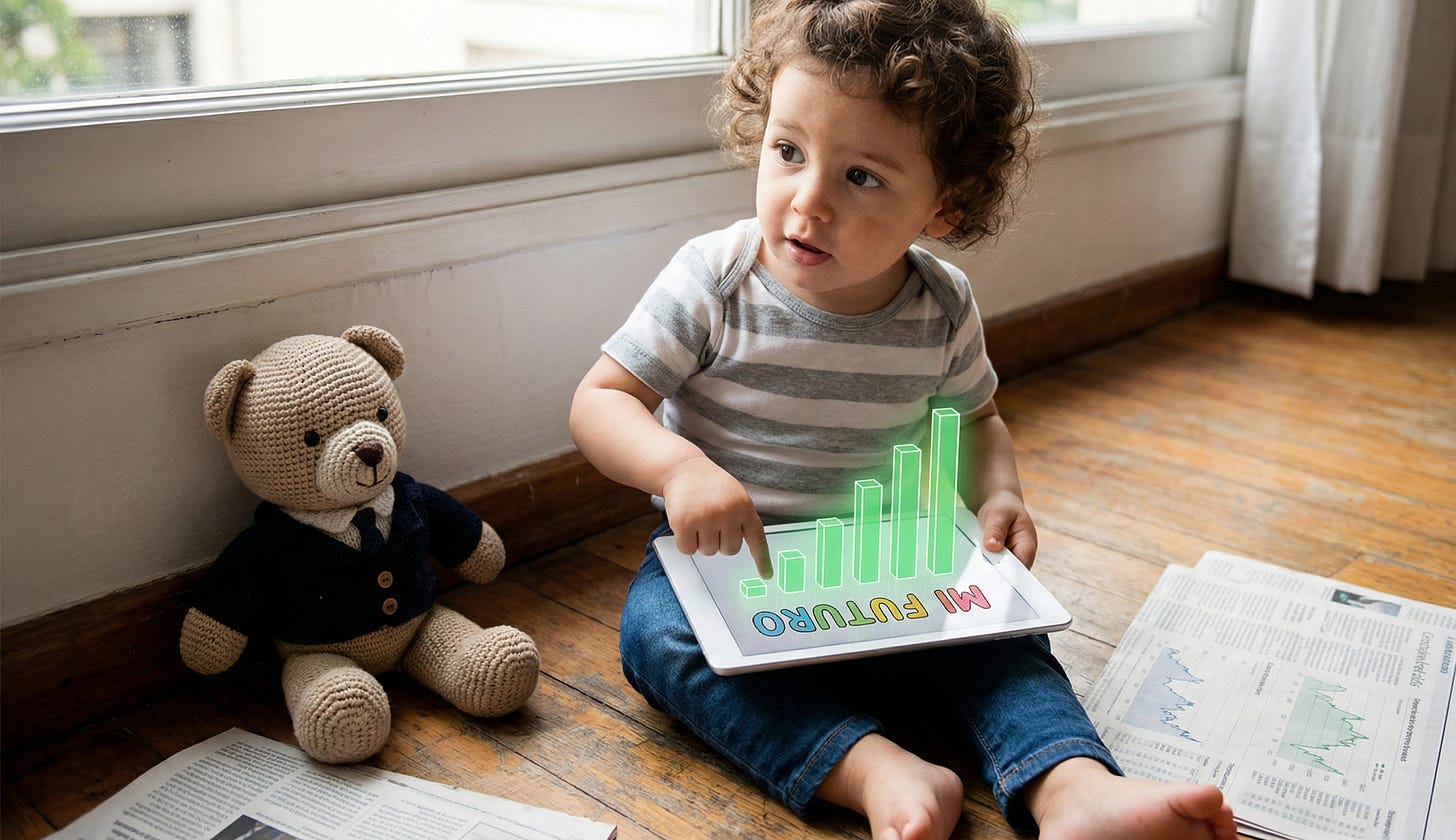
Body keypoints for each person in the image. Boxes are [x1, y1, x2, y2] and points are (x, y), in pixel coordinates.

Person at [569, 2, 1238, 837]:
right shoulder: (714, 280)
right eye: (788, 152)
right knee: (654, 637)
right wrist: (677, 470)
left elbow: (980, 416)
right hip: (736, 570)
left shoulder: (942, 305)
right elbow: (601, 402)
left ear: (946, 205)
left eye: (862, 177)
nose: (806, 202)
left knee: (1003, 638)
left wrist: (1001, 495)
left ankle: (1070, 787)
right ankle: (872, 769)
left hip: (891, 572)